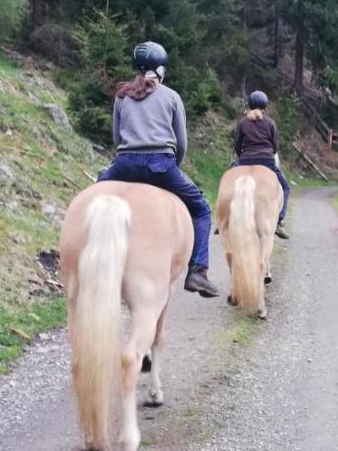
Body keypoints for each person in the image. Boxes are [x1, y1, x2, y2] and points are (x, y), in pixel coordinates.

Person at [97, 41, 220, 298]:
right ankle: (198, 270)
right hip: (160, 165)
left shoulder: (122, 96)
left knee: (94, 196)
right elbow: (182, 143)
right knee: (201, 208)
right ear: (161, 70)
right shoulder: (172, 97)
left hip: (124, 164)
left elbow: (117, 139)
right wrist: (173, 167)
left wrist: (125, 159)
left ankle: (91, 257)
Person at [231, 91, 291, 239]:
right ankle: (278, 221)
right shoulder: (270, 122)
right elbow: (275, 146)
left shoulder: (242, 123)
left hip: (245, 160)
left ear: (249, 105)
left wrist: (242, 158)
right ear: (265, 106)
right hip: (267, 162)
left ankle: (224, 220)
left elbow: (237, 145)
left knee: (227, 183)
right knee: (285, 187)